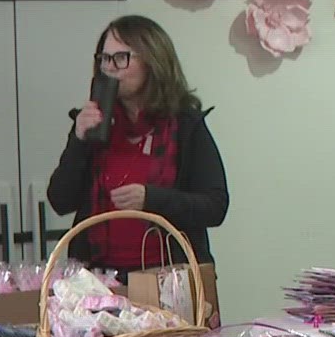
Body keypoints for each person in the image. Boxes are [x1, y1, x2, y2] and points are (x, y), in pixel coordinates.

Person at [47, 15, 229, 278]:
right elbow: (60, 200)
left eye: (120, 58)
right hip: (101, 281)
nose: (110, 68)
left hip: (171, 278)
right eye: (104, 59)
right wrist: (78, 140)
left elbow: (215, 206)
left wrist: (152, 199)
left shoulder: (185, 124)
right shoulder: (94, 122)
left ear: (151, 61)